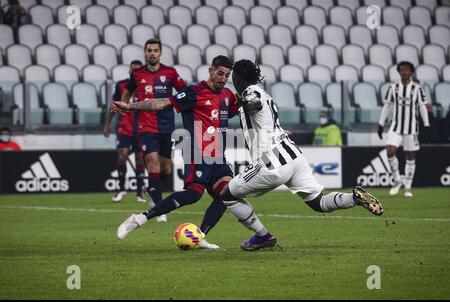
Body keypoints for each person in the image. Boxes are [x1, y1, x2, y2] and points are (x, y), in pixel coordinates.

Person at [217, 60, 382, 251]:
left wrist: (244, 102)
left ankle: (263, 236)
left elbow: (254, 103)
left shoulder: (250, 93)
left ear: (237, 78)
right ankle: (354, 198)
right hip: (293, 155)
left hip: (272, 161)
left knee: (227, 194)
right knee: (318, 202)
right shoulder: (266, 94)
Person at [114, 55, 243, 249]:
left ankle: (199, 236)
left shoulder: (227, 96)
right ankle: (139, 219)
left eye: (227, 75)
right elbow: (162, 103)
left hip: (218, 155)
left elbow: (239, 109)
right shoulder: (194, 92)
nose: (223, 78)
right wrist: (131, 106)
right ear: (210, 70)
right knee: (193, 194)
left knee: (227, 194)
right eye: (220, 73)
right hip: (197, 152)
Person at [121, 38, 186, 222]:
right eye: (149, 50)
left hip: (166, 125)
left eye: (155, 50)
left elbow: (184, 92)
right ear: (145, 53)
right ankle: (160, 209)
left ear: (160, 53)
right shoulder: (137, 74)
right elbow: (127, 91)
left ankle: (152, 190)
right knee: (152, 163)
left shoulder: (170, 73)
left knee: (166, 167)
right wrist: (125, 106)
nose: (152, 53)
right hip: (145, 126)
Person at [377, 61, 430, 198]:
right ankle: (397, 180)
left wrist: (427, 124)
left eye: (406, 70)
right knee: (390, 151)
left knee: (410, 157)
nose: (404, 72)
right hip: (396, 127)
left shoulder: (417, 89)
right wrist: (381, 123)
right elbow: (387, 106)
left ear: (411, 72)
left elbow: (423, 107)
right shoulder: (393, 87)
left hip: (411, 128)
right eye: (401, 70)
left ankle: (408, 187)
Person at [104, 60, 146, 203]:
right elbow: (114, 105)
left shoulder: (146, 87)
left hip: (141, 128)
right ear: (129, 71)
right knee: (122, 155)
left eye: (138, 70)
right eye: (133, 70)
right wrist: (107, 124)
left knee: (140, 158)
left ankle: (139, 193)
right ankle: (121, 188)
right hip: (124, 127)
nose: (135, 72)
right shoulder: (121, 85)